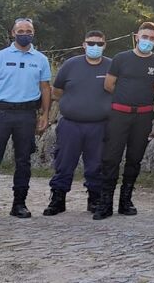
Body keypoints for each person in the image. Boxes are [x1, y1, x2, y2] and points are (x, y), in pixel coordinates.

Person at [0, 17, 52, 221]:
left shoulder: (40, 59)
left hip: (26, 115)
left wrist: (44, 115)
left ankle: (19, 205)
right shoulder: (0, 57)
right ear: (13, 33)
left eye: (29, 30)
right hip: (1, 113)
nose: (25, 34)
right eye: (21, 31)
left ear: (33, 33)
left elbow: (45, 89)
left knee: (23, 161)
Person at [94, 21, 154, 220]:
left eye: (152, 38)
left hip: (142, 116)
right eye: (145, 37)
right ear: (136, 36)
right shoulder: (121, 58)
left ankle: (126, 200)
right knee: (111, 158)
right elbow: (109, 85)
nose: (148, 41)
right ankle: (105, 203)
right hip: (119, 115)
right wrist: (126, 96)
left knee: (134, 159)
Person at [43, 30, 112, 216]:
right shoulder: (71, 65)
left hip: (99, 125)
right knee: (64, 162)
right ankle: (58, 199)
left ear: (105, 45)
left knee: (96, 164)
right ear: (84, 44)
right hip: (70, 124)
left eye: (99, 44)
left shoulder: (112, 66)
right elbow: (56, 91)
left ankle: (95, 200)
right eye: (91, 43)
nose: (95, 47)